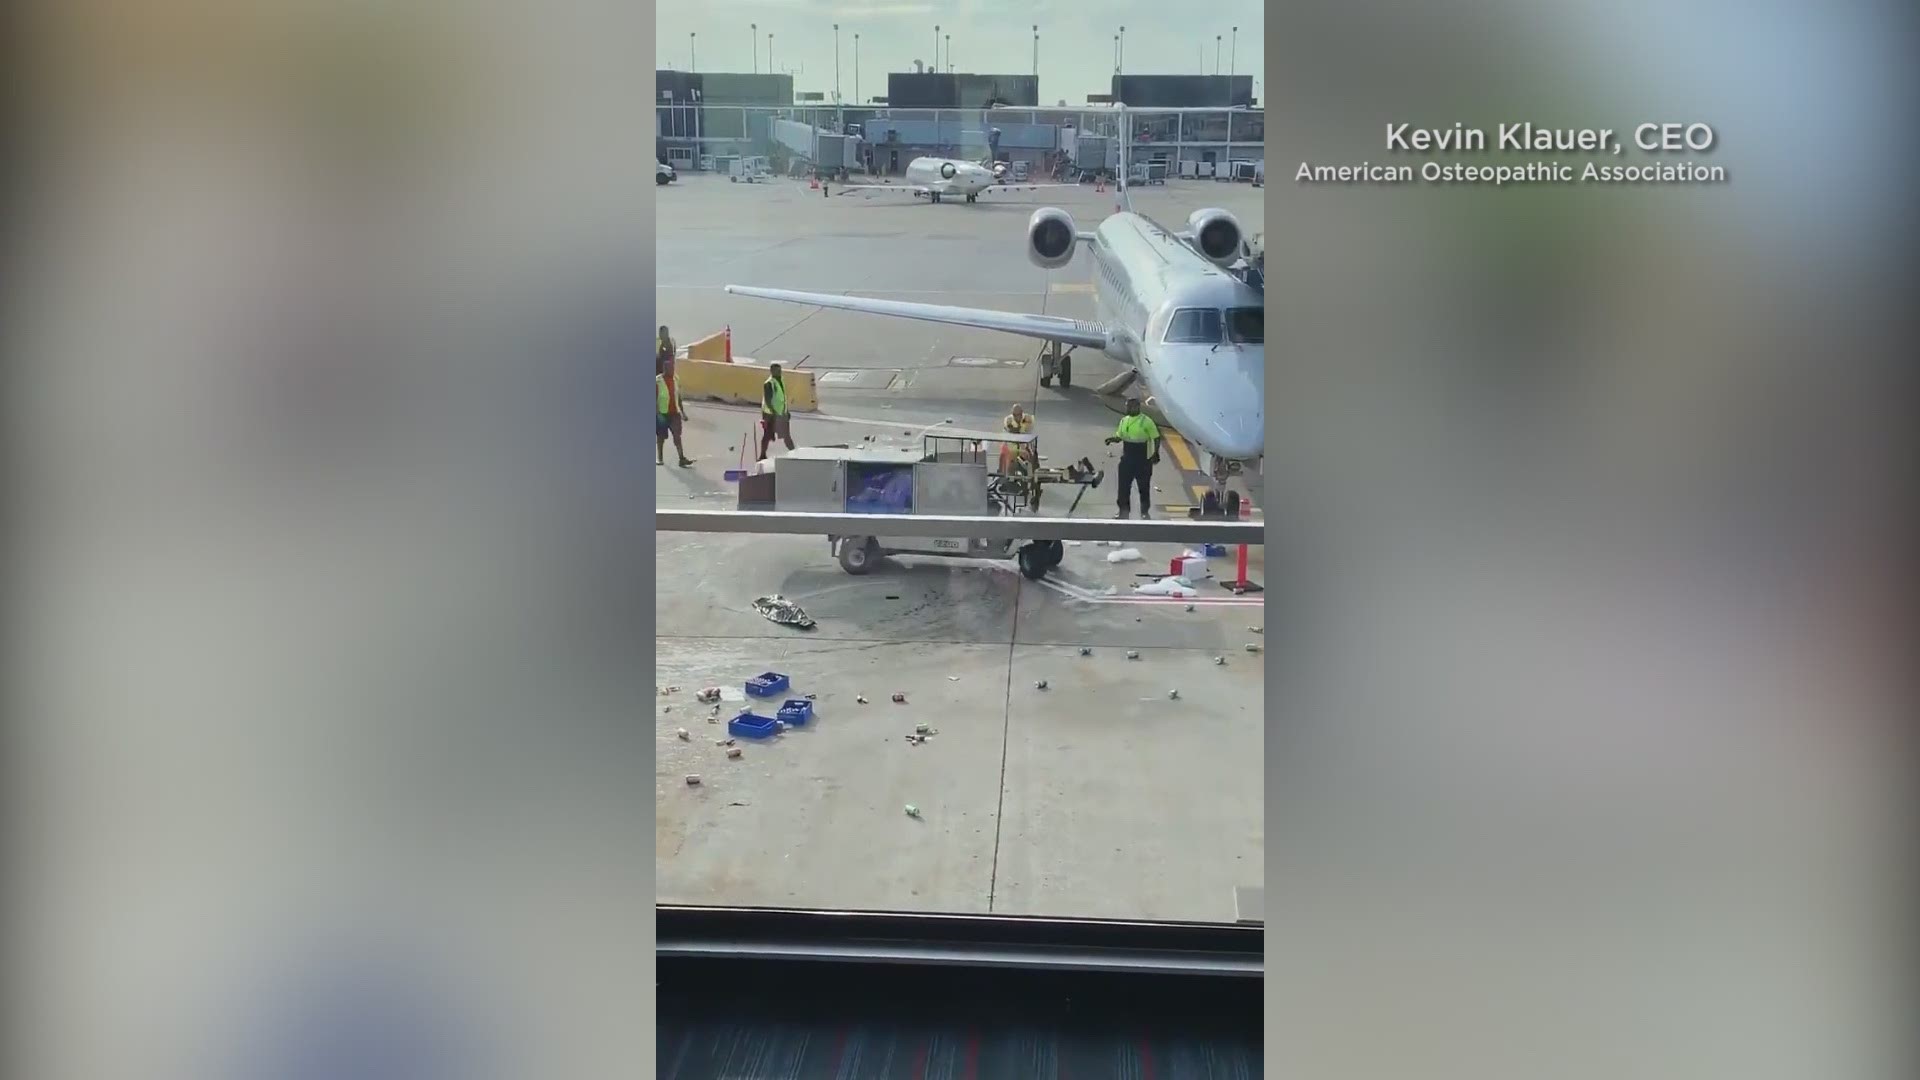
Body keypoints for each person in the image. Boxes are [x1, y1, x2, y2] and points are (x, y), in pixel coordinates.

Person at [1104, 396, 1160, 519]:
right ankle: (1123, 512)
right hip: (1127, 457)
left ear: (1137, 407)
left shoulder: (1146, 421)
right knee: (1123, 488)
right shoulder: (1124, 420)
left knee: (1143, 488)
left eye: (1130, 406)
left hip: (1142, 459)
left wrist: (1155, 453)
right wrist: (1112, 439)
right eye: (1127, 406)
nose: (1127, 408)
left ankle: (1144, 512)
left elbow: (1156, 437)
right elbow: (1120, 436)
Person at [656, 353, 692, 467]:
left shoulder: (676, 378)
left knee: (677, 436)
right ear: (664, 370)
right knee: (661, 437)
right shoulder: (658, 381)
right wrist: (657, 414)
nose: (672, 371)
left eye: (673, 368)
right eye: (669, 369)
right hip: (662, 413)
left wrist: (683, 412)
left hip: (674, 413)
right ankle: (660, 457)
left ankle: (682, 458)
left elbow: (678, 397)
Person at [759, 362, 797, 458]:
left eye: (780, 370)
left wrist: (786, 411)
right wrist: (774, 413)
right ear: (772, 371)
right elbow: (768, 400)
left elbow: (782, 398)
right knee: (767, 435)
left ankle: (795, 453)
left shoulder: (781, 380)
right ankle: (762, 455)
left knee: (786, 435)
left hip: (781, 413)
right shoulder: (769, 383)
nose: (779, 372)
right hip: (771, 415)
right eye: (777, 371)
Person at [998, 403, 1034, 475]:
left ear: (1022, 413)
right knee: (1002, 454)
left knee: (1032, 456)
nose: (1016, 417)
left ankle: (1031, 474)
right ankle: (1000, 473)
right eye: (1014, 415)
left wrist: (1018, 430)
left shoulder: (1029, 418)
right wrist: (1017, 430)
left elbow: (1026, 429)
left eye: (1018, 415)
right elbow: (1010, 429)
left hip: (1024, 447)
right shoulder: (1008, 419)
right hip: (1010, 447)